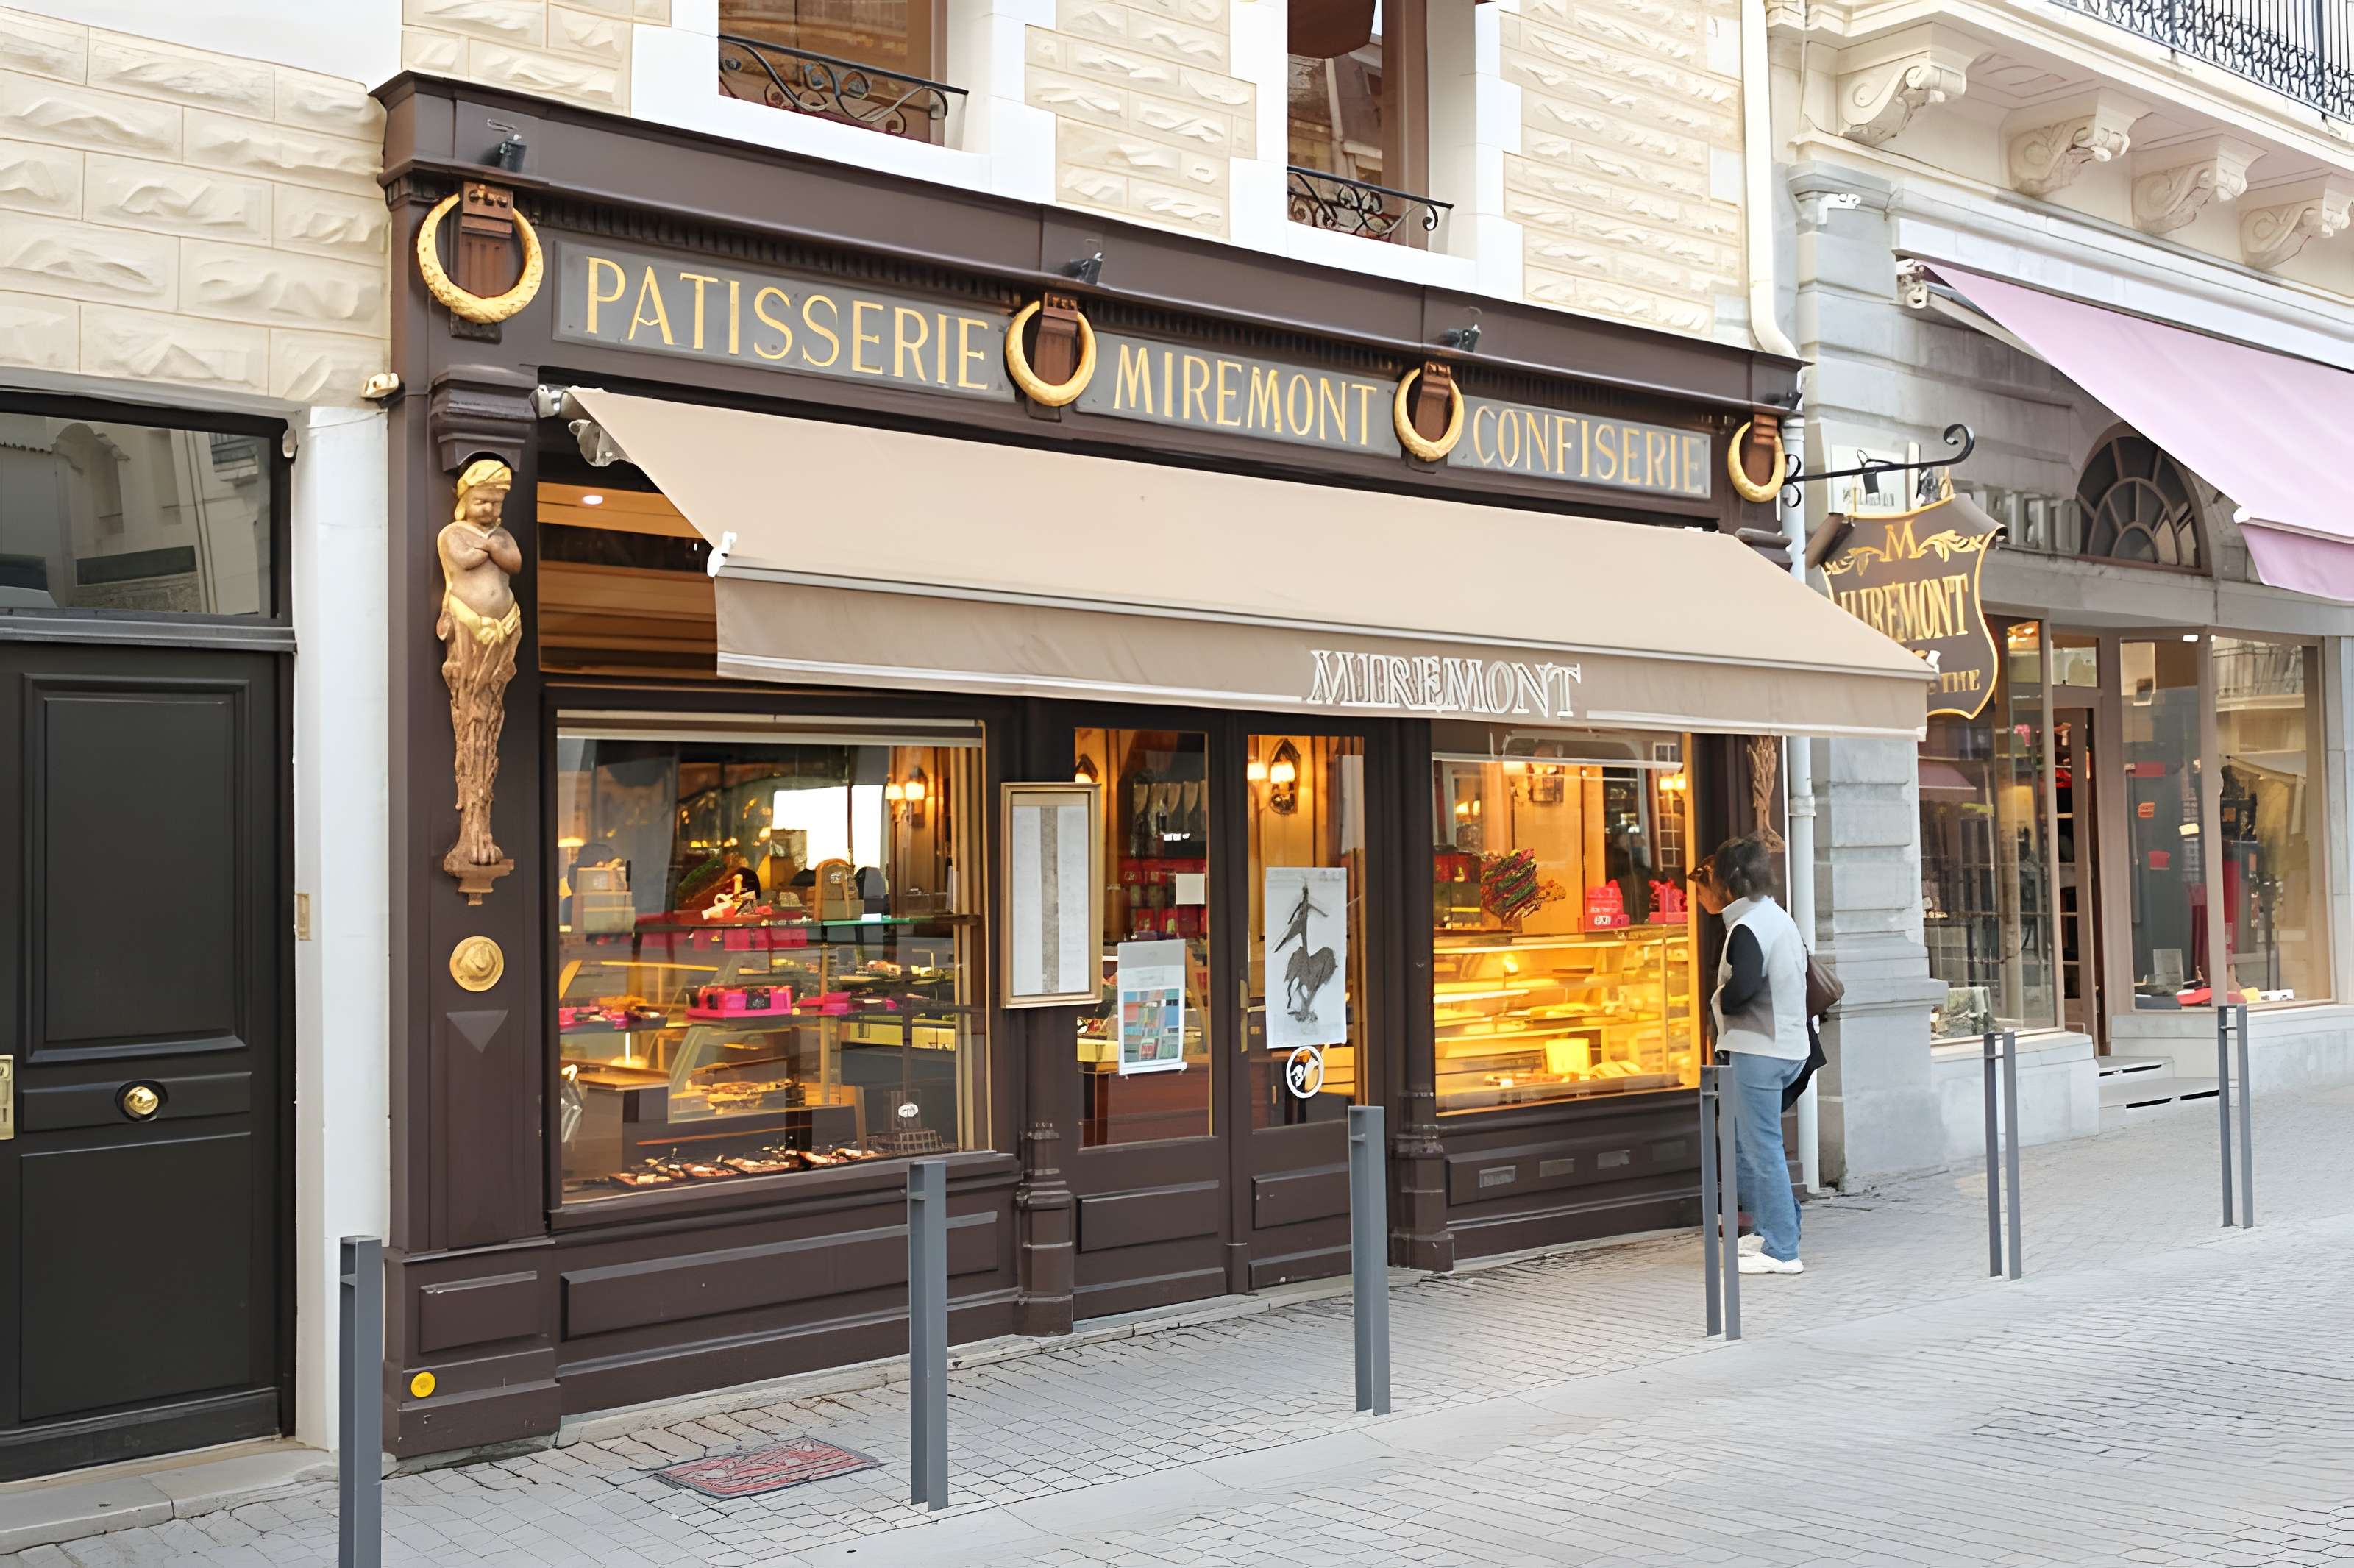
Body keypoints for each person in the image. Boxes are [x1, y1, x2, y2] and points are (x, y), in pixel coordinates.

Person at [1692, 835, 1810, 1275]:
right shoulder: (1773, 916)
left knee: (1761, 1148)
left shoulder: (1747, 927)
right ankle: (1772, 1231)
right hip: (1783, 1046)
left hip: (1759, 1048)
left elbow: (1741, 992)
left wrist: (1716, 999)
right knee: (1748, 1144)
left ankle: (1782, 1250)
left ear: (1727, 883)